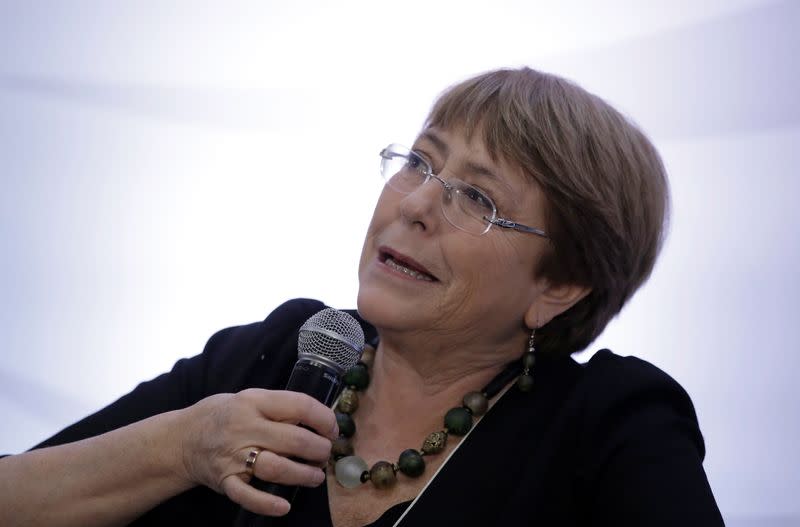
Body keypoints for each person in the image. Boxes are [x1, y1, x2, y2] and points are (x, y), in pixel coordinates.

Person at [0, 67, 724, 526]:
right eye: (419, 162)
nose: (415, 204)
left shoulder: (607, 422)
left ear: (558, 285)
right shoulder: (285, 346)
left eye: (475, 195)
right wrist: (183, 445)